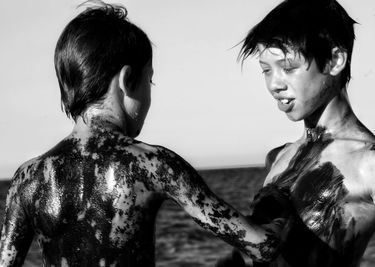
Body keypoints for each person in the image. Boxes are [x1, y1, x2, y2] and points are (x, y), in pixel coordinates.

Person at [0, 3, 293, 267]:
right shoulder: (150, 164)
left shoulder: (28, 178)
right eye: (149, 79)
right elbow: (262, 245)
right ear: (127, 80)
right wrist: (279, 201)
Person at [217, 0, 375, 266]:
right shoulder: (280, 157)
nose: (274, 84)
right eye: (266, 70)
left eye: (288, 68)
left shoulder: (373, 162)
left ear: (336, 60)